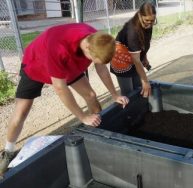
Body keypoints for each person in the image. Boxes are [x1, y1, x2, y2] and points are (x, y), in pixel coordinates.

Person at [0, 23, 129, 175]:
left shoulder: (98, 39)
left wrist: (115, 94)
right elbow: (60, 88)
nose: (96, 63)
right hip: (36, 63)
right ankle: (8, 152)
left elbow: (101, 69)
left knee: (91, 95)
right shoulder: (59, 48)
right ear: (87, 48)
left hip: (68, 65)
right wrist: (82, 116)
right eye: (95, 60)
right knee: (21, 113)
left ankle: (97, 134)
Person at [110, 2, 156, 97]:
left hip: (133, 56)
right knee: (128, 92)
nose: (150, 23)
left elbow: (143, 43)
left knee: (138, 87)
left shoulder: (148, 25)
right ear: (140, 15)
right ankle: (129, 111)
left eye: (152, 20)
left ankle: (138, 110)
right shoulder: (133, 31)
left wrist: (144, 57)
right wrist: (146, 81)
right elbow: (136, 60)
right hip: (121, 59)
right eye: (147, 20)